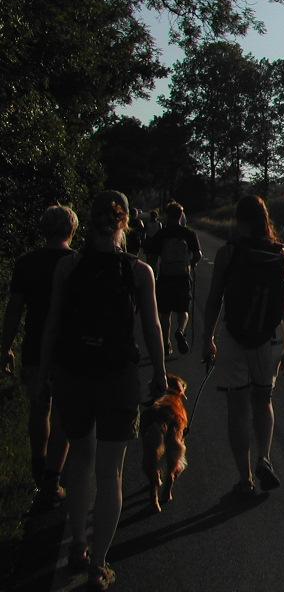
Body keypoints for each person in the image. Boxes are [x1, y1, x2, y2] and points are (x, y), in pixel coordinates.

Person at [38, 190, 167, 590]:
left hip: (74, 375)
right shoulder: (138, 271)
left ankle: (77, 544)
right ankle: (99, 565)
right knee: (111, 473)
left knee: (80, 462)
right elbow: (152, 327)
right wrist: (160, 373)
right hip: (118, 379)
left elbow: (53, 323)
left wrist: (45, 374)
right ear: (125, 221)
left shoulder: (69, 266)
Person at [202, 195, 284, 497]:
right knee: (263, 399)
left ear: (239, 221)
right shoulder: (281, 255)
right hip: (269, 338)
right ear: (265, 219)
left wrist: (207, 338)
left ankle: (245, 479)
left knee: (238, 407)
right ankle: (264, 458)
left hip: (234, 337)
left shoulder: (228, 253)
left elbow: (214, 300)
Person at [1, 205, 77, 508]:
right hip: (69, 349)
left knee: (39, 407)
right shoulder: (77, 263)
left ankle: (38, 463)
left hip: (34, 345)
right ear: (72, 230)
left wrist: (5, 346)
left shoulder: (26, 263)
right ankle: (52, 479)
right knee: (63, 414)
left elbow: (14, 310)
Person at [148, 202, 202, 356]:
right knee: (183, 310)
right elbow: (198, 255)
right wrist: (191, 264)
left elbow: (153, 257)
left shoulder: (162, 234)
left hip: (165, 277)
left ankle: (166, 344)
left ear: (167, 215)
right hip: (182, 276)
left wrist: (153, 275)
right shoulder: (189, 233)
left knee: (165, 313)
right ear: (180, 216)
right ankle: (180, 331)